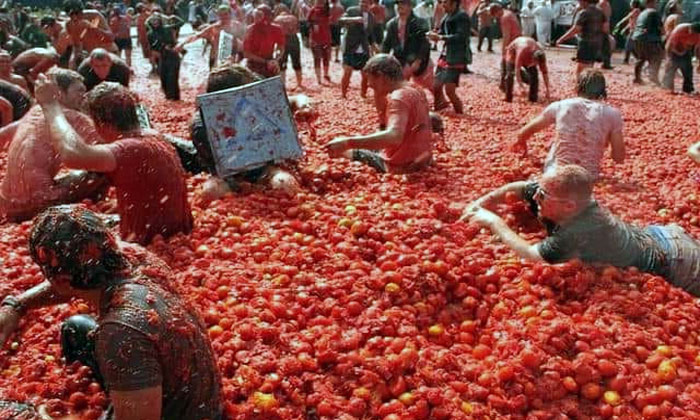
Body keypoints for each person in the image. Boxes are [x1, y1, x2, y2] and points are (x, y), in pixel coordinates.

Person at [0, 205, 224, 419]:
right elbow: (73, 279)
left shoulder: (120, 333)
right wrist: (18, 305)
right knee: (76, 329)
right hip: (189, 391)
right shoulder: (133, 256)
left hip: (184, 414)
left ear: (61, 279)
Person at [462, 164, 700, 297]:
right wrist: (483, 202)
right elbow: (522, 187)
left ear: (569, 206)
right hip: (661, 234)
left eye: (542, 195)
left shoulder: (579, 230)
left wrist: (493, 221)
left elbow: (532, 256)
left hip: (679, 264)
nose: (535, 197)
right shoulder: (557, 195)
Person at [35, 77, 193, 245]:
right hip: (178, 236)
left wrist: (51, 107)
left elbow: (72, 154)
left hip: (153, 244)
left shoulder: (130, 149)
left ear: (102, 124)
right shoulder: (153, 136)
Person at [0, 69, 106, 223]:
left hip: (6, 204)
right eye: (79, 91)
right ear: (59, 94)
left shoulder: (35, 111)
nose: (84, 95)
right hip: (37, 204)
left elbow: (3, 135)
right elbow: (109, 152)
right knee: (101, 171)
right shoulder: (74, 117)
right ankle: (99, 208)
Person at [190, 64, 305, 201]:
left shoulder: (258, 104)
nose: (254, 95)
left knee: (284, 184)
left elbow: (297, 99)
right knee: (212, 192)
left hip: (265, 168)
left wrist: (304, 106)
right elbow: (216, 164)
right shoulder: (202, 125)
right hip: (226, 174)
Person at [325, 54, 433, 174]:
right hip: (422, 159)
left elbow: (394, 137)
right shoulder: (416, 89)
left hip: (401, 166)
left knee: (342, 150)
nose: (369, 85)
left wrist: (348, 142)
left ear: (381, 77)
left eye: (370, 79)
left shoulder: (399, 97)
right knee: (368, 143)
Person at [513, 69, 624, 179]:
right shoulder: (612, 114)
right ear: (603, 91)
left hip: (556, 173)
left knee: (561, 138)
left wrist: (521, 141)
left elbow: (527, 131)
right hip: (588, 178)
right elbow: (619, 157)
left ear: (577, 87)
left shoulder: (561, 106)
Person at [382, 0, 432, 95]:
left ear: (410, 6)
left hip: (417, 58)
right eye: (398, 3)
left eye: (403, 3)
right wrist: (382, 59)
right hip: (400, 59)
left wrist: (418, 60)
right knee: (399, 82)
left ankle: (439, 102)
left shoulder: (420, 22)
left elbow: (425, 44)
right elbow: (386, 44)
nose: (400, 6)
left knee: (431, 86)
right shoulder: (391, 24)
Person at [429, 0, 469, 114]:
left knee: (450, 91)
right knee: (436, 85)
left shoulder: (462, 16)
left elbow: (461, 36)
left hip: (456, 57)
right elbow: (442, 31)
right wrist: (434, 33)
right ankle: (439, 109)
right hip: (445, 55)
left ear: (454, 3)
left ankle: (460, 113)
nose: (443, 5)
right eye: (442, 2)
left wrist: (441, 38)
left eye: (445, 2)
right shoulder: (447, 16)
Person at [177, 4, 245, 69]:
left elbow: (245, 40)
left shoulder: (237, 26)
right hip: (216, 59)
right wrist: (182, 44)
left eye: (226, 14)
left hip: (232, 59)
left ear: (230, 14)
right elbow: (197, 36)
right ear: (218, 16)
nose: (224, 17)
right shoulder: (213, 28)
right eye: (221, 15)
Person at [556, 0, 607, 77]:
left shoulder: (584, 13)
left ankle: (579, 86)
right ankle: (587, 85)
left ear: (585, 1)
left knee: (581, 68)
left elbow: (576, 29)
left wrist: (561, 39)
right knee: (590, 67)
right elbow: (605, 29)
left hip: (586, 44)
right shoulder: (600, 12)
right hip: (597, 43)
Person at [338, 0, 375, 98]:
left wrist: (374, 46)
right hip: (350, 47)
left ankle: (363, 95)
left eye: (366, 3)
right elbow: (340, 21)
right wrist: (354, 19)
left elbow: (370, 34)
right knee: (347, 72)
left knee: (365, 74)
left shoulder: (371, 17)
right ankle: (343, 95)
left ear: (371, 4)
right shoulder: (352, 10)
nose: (364, 4)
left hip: (364, 49)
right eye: (362, 1)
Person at [147, 11, 185, 100]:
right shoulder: (150, 34)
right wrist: (153, 61)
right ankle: (168, 98)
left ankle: (175, 99)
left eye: (157, 20)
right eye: (153, 21)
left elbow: (181, 23)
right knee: (163, 79)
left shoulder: (167, 28)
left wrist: (173, 17)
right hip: (162, 57)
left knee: (172, 79)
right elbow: (152, 48)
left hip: (173, 56)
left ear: (160, 21)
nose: (155, 22)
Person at [243, 4, 286, 78]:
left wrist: (276, 59)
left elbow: (280, 47)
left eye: (258, 15)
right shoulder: (250, 30)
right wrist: (265, 62)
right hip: (253, 64)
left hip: (270, 62)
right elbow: (247, 54)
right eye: (255, 15)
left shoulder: (276, 29)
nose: (255, 17)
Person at [503, 36, 550, 102]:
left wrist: (547, 89)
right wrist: (521, 86)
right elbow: (517, 70)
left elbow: (545, 73)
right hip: (513, 51)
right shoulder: (522, 52)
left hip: (528, 49)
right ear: (532, 58)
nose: (535, 64)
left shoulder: (541, 55)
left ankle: (533, 98)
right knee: (510, 74)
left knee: (534, 75)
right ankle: (508, 97)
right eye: (535, 62)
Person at [630, 0, 664, 85]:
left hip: (637, 38)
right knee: (657, 57)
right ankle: (653, 78)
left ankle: (637, 78)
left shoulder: (642, 13)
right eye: (656, 2)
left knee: (641, 58)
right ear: (651, 3)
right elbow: (661, 29)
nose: (657, 4)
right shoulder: (654, 12)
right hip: (649, 39)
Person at [490, 3, 522, 91]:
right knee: (514, 64)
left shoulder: (504, 18)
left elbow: (506, 35)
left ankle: (504, 86)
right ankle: (530, 81)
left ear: (496, 12)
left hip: (512, 42)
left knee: (505, 64)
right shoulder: (509, 13)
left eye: (494, 15)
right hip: (518, 40)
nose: (495, 18)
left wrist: (504, 49)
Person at [663, 22, 700, 94]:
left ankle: (688, 89)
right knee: (671, 68)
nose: (690, 33)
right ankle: (667, 88)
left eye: (693, 33)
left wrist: (699, 61)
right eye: (690, 31)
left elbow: (698, 49)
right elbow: (668, 45)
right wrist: (668, 58)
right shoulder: (680, 30)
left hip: (686, 51)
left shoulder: (698, 36)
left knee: (688, 70)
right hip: (673, 50)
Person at [274, 4, 303, 87]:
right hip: (294, 39)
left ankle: (283, 84)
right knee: (296, 61)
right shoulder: (293, 18)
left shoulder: (277, 19)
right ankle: (299, 83)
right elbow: (298, 29)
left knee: (282, 62)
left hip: (282, 40)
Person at [307, 0, 332, 84]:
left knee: (319, 59)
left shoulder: (314, 10)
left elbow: (309, 22)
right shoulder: (325, 10)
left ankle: (321, 78)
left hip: (318, 38)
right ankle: (323, 76)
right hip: (322, 38)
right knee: (324, 58)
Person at [597, 0, 613, 69]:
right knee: (605, 46)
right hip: (602, 28)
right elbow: (603, 17)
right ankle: (606, 64)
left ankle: (606, 64)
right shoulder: (603, 3)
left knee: (606, 46)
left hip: (603, 28)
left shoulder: (606, 3)